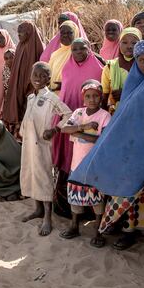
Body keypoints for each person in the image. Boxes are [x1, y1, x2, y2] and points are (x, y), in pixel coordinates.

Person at [70, 40, 144, 252]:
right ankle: (129, 233)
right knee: (128, 192)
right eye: (141, 60)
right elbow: (122, 119)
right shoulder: (133, 83)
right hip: (131, 152)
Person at [19, 62, 72, 236]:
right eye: (35, 75)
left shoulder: (52, 98)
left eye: (43, 76)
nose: (38, 79)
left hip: (42, 145)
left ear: (49, 79)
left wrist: (55, 129)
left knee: (44, 176)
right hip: (28, 143)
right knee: (31, 173)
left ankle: (48, 216)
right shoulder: (30, 97)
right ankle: (37, 209)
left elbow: (69, 114)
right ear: (30, 76)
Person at [51, 38, 104, 211]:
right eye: (74, 49)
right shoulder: (67, 67)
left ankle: (90, 211)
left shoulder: (99, 68)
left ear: (89, 49)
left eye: (82, 49)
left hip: (93, 118)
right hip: (72, 117)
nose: (78, 52)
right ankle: (68, 207)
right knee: (70, 159)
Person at [59, 80, 111, 246]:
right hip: (77, 165)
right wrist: (85, 126)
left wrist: (79, 134)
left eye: (95, 96)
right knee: (75, 196)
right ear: (83, 98)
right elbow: (65, 129)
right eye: (88, 96)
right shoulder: (79, 113)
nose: (92, 99)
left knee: (97, 198)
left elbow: (103, 140)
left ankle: (98, 231)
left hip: (94, 166)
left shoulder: (105, 115)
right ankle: (74, 225)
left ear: (101, 98)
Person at [2, 21, 44, 135]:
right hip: (19, 90)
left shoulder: (38, 48)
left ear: (29, 32)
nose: (19, 35)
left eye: (22, 32)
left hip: (32, 92)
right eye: (18, 32)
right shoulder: (20, 47)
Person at [100, 27, 141, 113]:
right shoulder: (110, 67)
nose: (129, 46)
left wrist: (125, 94)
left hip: (139, 112)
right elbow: (105, 95)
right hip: (116, 113)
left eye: (134, 43)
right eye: (124, 42)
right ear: (119, 44)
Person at [46, 21, 79, 91]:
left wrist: (64, 85)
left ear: (76, 34)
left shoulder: (79, 54)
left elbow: (82, 75)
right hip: (54, 97)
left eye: (69, 33)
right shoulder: (55, 55)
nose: (65, 35)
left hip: (71, 95)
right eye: (62, 33)